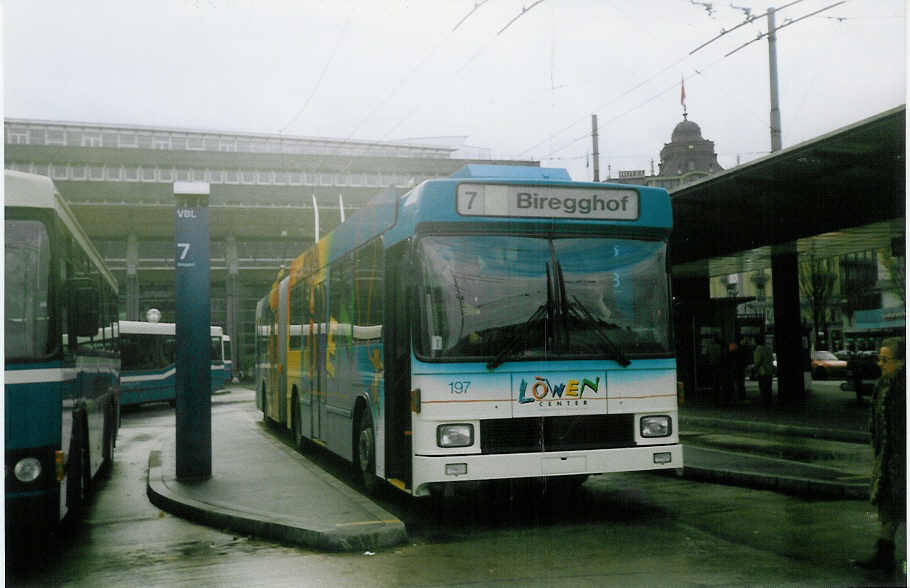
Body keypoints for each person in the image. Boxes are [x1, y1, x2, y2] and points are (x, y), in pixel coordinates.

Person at [855, 337, 905, 573]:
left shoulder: (902, 386)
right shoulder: (884, 384)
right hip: (888, 457)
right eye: (880, 358)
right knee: (888, 506)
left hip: (902, 459)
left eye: (886, 359)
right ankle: (884, 554)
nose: (881, 364)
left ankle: (886, 556)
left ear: (901, 362)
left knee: (896, 506)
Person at [753, 336, 774, 408]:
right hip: (769, 371)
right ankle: (768, 402)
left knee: (763, 388)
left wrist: (755, 370)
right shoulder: (768, 349)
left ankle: (764, 403)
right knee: (768, 388)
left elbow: (758, 361)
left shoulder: (758, 349)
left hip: (762, 372)